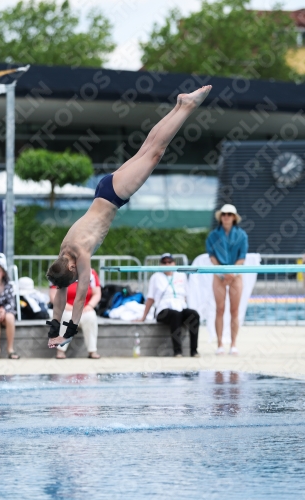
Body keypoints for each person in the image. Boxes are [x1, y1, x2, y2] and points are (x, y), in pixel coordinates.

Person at [46, 85, 212, 348]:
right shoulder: (63, 253)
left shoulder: (81, 252)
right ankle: (180, 105)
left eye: (75, 275)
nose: (78, 276)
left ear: (70, 266)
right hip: (105, 190)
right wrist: (54, 327)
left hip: (113, 195)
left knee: (155, 152)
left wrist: (68, 332)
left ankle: (187, 107)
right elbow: (61, 291)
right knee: (148, 148)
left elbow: (78, 299)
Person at [137, 253, 200, 357]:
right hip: (164, 309)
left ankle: (194, 350)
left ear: (174, 263)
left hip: (180, 306)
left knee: (194, 314)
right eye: (164, 262)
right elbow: (150, 299)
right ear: (160, 264)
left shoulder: (181, 275)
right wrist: (143, 317)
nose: (167, 265)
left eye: (169, 262)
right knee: (175, 315)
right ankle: (177, 351)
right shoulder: (156, 277)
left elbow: (186, 295)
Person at [206, 203, 248, 356]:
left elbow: (242, 257)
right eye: (224, 214)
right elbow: (212, 256)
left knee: (234, 310)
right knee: (220, 309)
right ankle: (220, 344)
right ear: (221, 217)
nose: (226, 217)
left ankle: (234, 344)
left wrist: (231, 273)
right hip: (219, 274)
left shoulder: (242, 235)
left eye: (229, 214)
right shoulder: (213, 235)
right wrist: (223, 273)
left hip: (236, 274)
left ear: (234, 217)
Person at [49, 269, 101, 359]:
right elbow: (53, 295)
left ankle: (92, 350)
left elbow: (97, 293)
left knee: (91, 317)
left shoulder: (91, 273)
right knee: (67, 317)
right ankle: (61, 350)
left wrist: (90, 306)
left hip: (85, 308)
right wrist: (66, 307)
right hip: (65, 308)